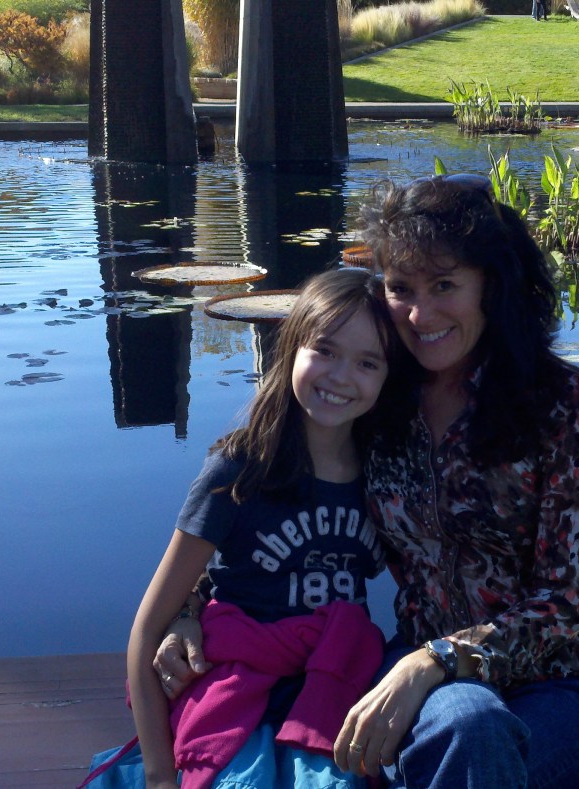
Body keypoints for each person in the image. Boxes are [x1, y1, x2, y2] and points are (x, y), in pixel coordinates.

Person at [158, 174, 579, 788]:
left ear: (492, 283)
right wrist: (188, 608)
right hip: (432, 695)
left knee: (471, 739)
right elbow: (275, 508)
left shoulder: (564, 405)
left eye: (445, 286)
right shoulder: (380, 394)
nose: (420, 313)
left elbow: (566, 603)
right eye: (401, 288)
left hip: (555, 689)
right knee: (466, 725)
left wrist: (435, 660)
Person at [120, 267, 409, 789]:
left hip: (336, 684)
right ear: (292, 347)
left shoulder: (386, 477)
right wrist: (160, 778)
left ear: (389, 378)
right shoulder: (237, 471)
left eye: (368, 362)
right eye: (325, 350)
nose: (341, 376)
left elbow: (430, 585)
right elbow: (146, 630)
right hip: (237, 685)